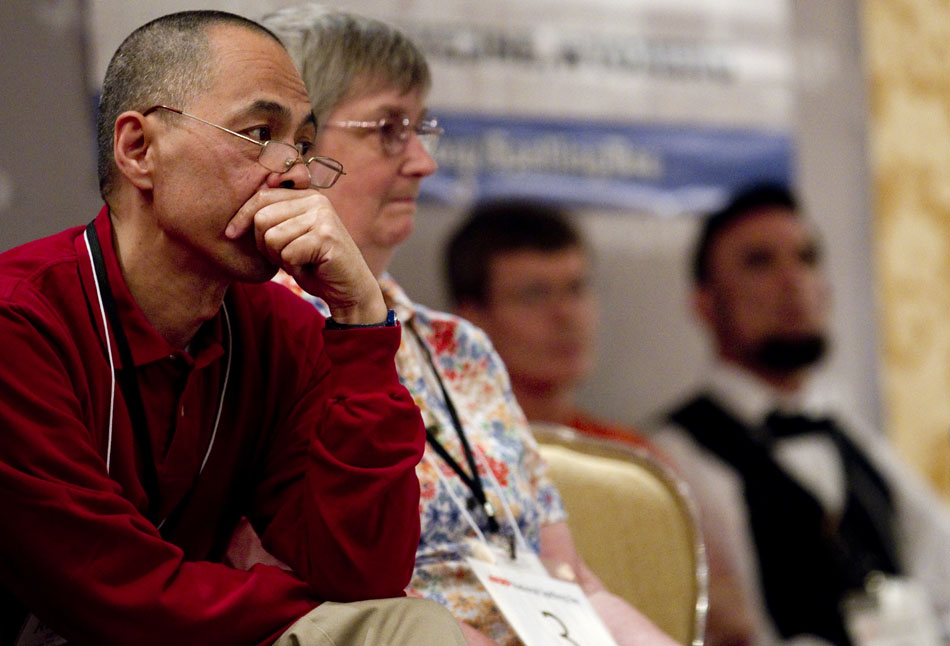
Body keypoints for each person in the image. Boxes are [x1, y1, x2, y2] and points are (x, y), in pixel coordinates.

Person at [0, 10, 466, 646]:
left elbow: (363, 574)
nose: (297, 174)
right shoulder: (19, 320)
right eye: (258, 133)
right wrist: (310, 609)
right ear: (139, 149)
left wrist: (361, 320)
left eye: (303, 146)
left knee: (409, 629)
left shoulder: (281, 331)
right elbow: (114, 595)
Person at [260, 5, 679, 646]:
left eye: (422, 129)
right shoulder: (254, 338)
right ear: (297, 145)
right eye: (389, 131)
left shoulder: (462, 349)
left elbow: (570, 582)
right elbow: (294, 597)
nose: (424, 163)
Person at [653, 182, 950, 646]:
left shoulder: (851, 431)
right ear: (705, 303)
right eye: (759, 263)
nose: (793, 281)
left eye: (807, 258)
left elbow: (940, 561)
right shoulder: (673, 455)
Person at [445, 198, 656, 452]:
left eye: (575, 289)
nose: (566, 314)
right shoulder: (436, 455)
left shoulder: (628, 456)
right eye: (534, 295)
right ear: (472, 319)